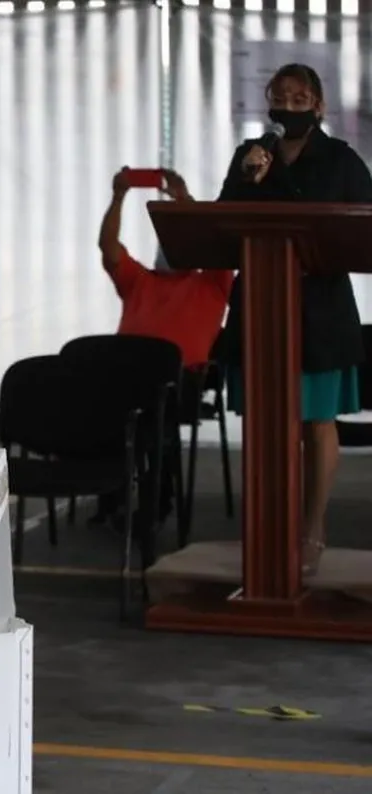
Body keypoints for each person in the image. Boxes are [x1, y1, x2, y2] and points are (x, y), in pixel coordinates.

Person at [218, 63, 371, 573]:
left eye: (300, 98)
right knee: (266, 422)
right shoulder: (250, 156)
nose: (289, 105)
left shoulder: (341, 159)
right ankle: (268, 528)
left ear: (319, 106)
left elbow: (364, 224)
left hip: (320, 308)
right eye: (280, 97)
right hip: (261, 304)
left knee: (317, 420)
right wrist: (247, 180)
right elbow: (222, 222)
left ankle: (312, 525)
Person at [99, 167, 234, 369]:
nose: (170, 243)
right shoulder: (138, 280)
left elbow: (215, 239)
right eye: (166, 237)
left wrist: (185, 200)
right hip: (124, 379)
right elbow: (108, 246)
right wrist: (118, 197)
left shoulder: (211, 284)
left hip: (178, 389)